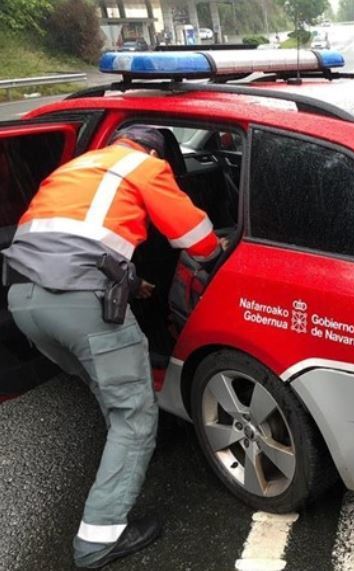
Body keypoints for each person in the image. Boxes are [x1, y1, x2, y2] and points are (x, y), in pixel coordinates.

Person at [2, 126, 223, 568]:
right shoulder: (146, 167)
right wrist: (219, 251)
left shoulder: (74, 168)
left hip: (23, 302)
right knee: (135, 415)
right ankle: (99, 539)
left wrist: (133, 282)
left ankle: (130, 448)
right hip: (81, 305)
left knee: (102, 381)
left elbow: (69, 244)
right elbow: (197, 240)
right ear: (155, 152)